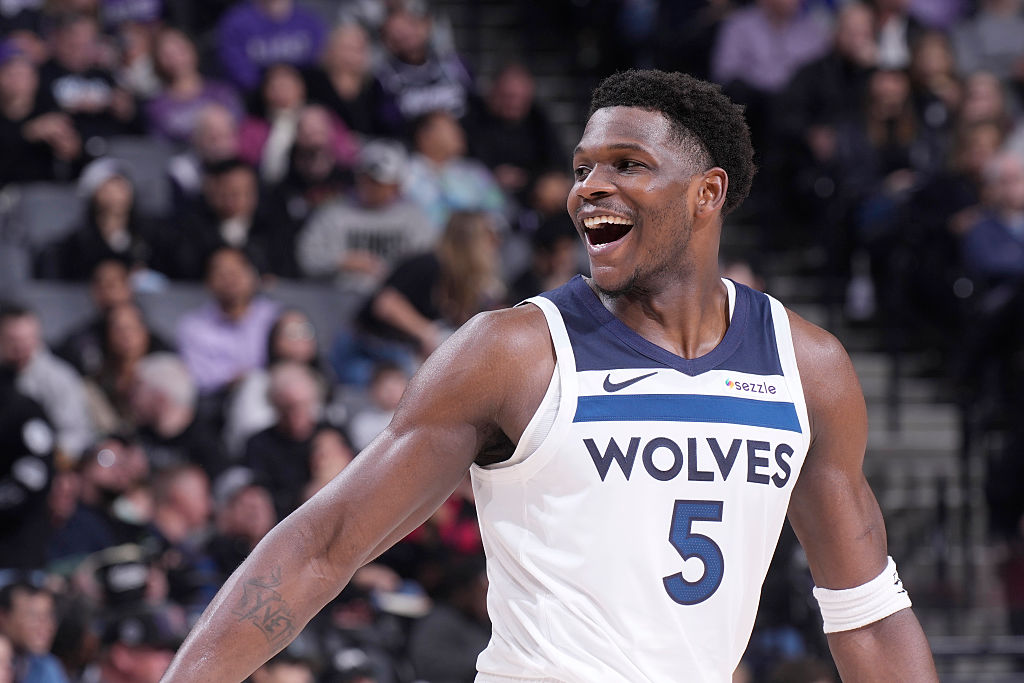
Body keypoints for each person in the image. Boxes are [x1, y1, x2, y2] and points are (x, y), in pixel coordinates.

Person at [160, 69, 938, 682]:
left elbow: (867, 614)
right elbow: (325, 544)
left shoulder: (807, 365)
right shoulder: (513, 352)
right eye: (582, 168)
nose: (589, 188)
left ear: (708, 194)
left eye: (628, 165)